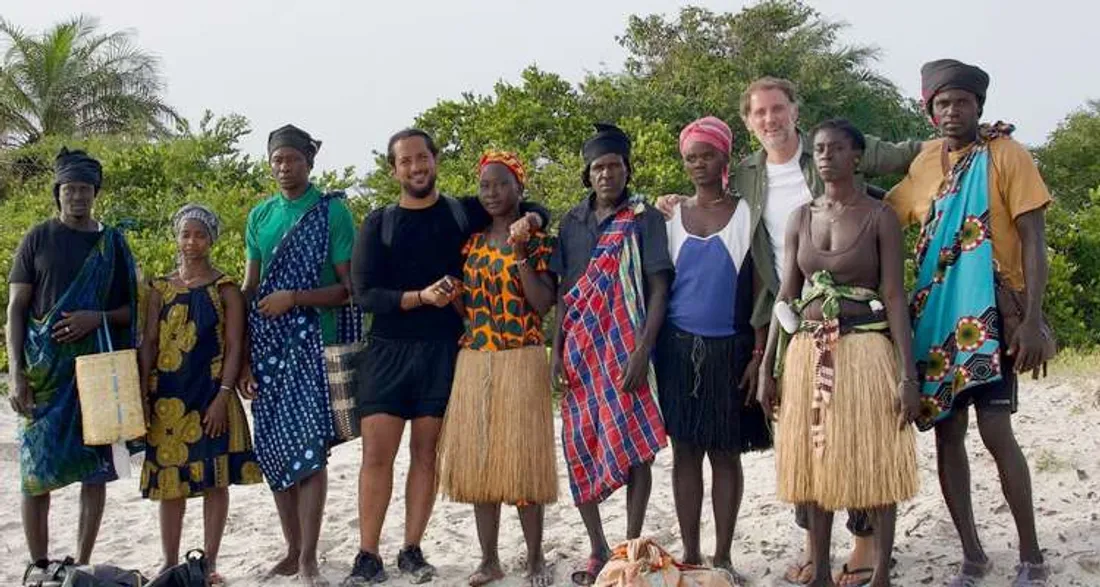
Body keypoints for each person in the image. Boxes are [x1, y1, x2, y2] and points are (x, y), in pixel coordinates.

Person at [657, 77, 924, 586]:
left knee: (861, 443)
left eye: (778, 109)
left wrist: (956, 139)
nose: (770, 119)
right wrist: (767, 352)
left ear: (795, 111)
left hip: (859, 323)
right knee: (808, 447)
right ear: (748, 122)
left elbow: (905, 153)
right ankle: (816, 552)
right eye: (759, 113)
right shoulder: (749, 177)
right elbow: (715, 204)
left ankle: (866, 548)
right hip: (794, 323)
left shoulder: (832, 152)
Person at [345, 129, 548, 585]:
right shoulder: (380, 222)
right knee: (377, 454)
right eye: (406, 162)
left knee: (425, 455)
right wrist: (420, 297)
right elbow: (364, 295)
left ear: (435, 160)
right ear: (394, 169)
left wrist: (532, 221)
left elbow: (525, 206)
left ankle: (412, 549)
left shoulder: (464, 211)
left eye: (423, 158)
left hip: (443, 352)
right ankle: (367, 553)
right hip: (388, 351)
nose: (416, 168)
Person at [886, 59, 1054, 586]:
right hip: (936, 324)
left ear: (978, 105)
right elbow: (880, 220)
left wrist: (1032, 320)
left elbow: (1033, 239)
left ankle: (1031, 554)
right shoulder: (924, 167)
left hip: (994, 320)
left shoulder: (1008, 155)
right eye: (942, 103)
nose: (953, 111)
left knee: (997, 432)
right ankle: (973, 554)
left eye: (962, 101)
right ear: (929, 110)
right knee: (947, 436)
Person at [758, 119, 921, 587]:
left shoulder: (879, 215)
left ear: (857, 156)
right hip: (809, 352)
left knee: (877, 458)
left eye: (836, 148)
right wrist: (770, 367)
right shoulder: (801, 217)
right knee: (816, 460)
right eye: (819, 149)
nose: (825, 155)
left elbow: (894, 296)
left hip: (866, 349)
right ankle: (823, 572)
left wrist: (907, 376)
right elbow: (785, 296)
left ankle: (881, 573)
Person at [7, 148, 138, 582]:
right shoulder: (37, 239)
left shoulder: (113, 245)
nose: (77, 196)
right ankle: (39, 564)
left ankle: (81, 561)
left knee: (94, 469)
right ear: (58, 193)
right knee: (35, 472)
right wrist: (17, 375)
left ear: (95, 193)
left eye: (84, 189)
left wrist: (94, 318)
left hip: (96, 370)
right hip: (44, 372)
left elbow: (130, 311)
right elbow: (16, 310)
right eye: (69, 189)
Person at [549, 123, 672, 585]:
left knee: (637, 445)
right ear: (587, 174)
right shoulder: (571, 222)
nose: (606, 175)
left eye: (614, 166)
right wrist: (556, 349)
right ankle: (598, 547)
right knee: (579, 442)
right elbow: (564, 292)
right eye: (598, 168)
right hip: (580, 349)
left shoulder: (645, 219)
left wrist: (643, 351)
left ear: (627, 170)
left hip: (627, 344)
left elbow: (660, 288)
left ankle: (631, 544)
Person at [654, 117, 772, 583]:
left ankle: (723, 555)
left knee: (725, 453)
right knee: (685, 451)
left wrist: (758, 355)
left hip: (731, 349)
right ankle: (691, 554)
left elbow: (763, 286)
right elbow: (658, 287)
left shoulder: (747, 214)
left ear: (726, 158)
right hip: (678, 350)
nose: (699, 164)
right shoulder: (671, 215)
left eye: (707, 155)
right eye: (691, 157)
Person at [239, 124, 357, 586]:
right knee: (272, 449)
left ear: (309, 163)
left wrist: (294, 297)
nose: (285, 167)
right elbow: (251, 289)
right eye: (277, 160)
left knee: (311, 452)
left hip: (314, 343)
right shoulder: (260, 216)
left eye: (293, 159)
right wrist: (242, 358)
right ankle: (290, 549)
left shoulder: (333, 213)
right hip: (267, 345)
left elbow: (347, 290)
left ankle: (308, 556)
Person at [435, 151, 558, 587]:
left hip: (521, 357)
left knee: (524, 464)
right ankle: (489, 560)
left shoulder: (540, 240)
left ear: (519, 190)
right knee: (481, 465)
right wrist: (455, 298)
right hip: (476, 359)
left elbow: (542, 304)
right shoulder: (471, 243)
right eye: (485, 185)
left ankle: (536, 558)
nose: (492, 192)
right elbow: (473, 310)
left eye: (501, 184)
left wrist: (521, 252)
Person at [138, 204, 263, 586]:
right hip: (167, 396)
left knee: (215, 480)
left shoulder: (226, 289)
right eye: (185, 234)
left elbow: (236, 345)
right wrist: (142, 393)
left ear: (211, 239)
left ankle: (208, 563)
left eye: (200, 235)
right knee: (169, 483)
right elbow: (149, 343)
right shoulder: (159, 288)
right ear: (176, 237)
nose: (192, 242)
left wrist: (223, 397)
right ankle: (170, 562)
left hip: (211, 394)